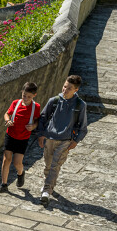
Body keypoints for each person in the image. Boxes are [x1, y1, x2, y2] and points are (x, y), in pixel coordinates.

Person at [35, 74, 89, 207]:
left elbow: (83, 127)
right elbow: (43, 118)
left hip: (65, 141)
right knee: (48, 164)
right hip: (50, 138)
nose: (65, 90)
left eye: (69, 88)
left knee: (55, 165)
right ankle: (50, 185)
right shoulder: (53, 101)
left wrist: (75, 141)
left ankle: (47, 191)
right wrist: (41, 134)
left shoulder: (80, 105)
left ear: (76, 90)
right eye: (64, 86)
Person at [0, 82, 40, 193]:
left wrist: (33, 126)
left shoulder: (36, 107)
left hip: (23, 138)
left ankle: (21, 173)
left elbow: (37, 120)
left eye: (29, 97)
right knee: (7, 159)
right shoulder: (15, 103)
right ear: (22, 92)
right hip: (10, 135)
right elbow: (7, 114)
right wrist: (7, 120)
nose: (25, 98)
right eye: (24, 95)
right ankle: (4, 184)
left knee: (17, 163)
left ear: (34, 95)